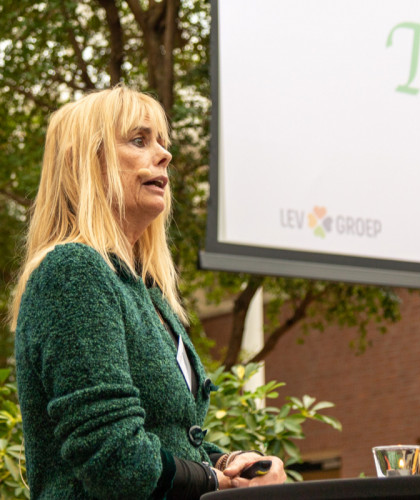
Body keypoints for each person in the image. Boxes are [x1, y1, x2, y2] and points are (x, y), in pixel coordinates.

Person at [11, 86, 286, 499]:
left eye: (161, 141)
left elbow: (167, 441)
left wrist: (235, 464)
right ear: (87, 162)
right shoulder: (73, 271)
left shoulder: (144, 289)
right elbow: (112, 456)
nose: (164, 155)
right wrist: (217, 481)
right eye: (139, 141)